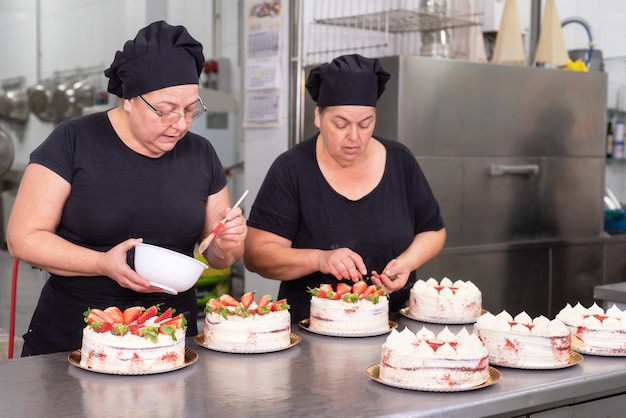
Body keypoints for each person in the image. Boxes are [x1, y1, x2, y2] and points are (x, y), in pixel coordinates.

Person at [7, 21, 246, 356]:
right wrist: (102, 263)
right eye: (165, 111)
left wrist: (227, 243)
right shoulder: (73, 141)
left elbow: (218, 254)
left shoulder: (201, 153)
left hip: (171, 335)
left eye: (191, 109)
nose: (180, 124)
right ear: (129, 100)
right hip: (74, 334)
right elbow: (23, 238)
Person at [244, 54, 446, 323]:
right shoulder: (292, 169)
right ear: (318, 116)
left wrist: (407, 262)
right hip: (311, 330)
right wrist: (319, 259)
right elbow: (257, 255)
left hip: (393, 326)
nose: (354, 137)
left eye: (365, 124)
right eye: (340, 124)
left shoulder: (400, 160)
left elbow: (432, 231)